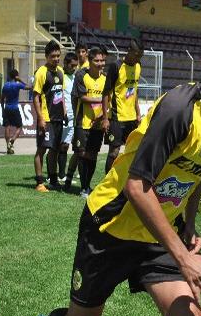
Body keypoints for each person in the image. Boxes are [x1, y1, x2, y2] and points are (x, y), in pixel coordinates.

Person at [19, 32, 201, 316]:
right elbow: (136, 187)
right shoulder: (179, 110)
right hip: (110, 227)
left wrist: (188, 227)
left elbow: (197, 176)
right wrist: (182, 256)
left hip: (156, 236)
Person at [101, 38, 144, 173]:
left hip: (131, 118)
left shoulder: (138, 66)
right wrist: (105, 118)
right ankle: (107, 183)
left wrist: (138, 113)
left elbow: (134, 90)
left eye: (140, 55)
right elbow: (106, 93)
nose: (138, 58)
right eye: (137, 55)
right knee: (114, 152)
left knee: (131, 152)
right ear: (129, 51)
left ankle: (123, 184)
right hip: (116, 116)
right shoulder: (116, 66)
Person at [72, 46, 107, 198]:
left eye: (102, 60)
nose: (100, 63)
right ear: (90, 61)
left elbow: (109, 100)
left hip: (97, 124)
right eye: (97, 60)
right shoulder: (81, 75)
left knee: (92, 155)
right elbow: (81, 97)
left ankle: (87, 186)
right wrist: (100, 99)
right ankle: (83, 187)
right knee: (81, 153)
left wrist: (103, 117)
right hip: (82, 121)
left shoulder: (105, 79)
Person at [32, 41, 65, 192]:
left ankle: (53, 179)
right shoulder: (41, 73)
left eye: (58, 56)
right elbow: (36, 97)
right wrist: (40, 118)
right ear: (46, 57)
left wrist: (64, 111)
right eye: (53, 56)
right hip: (47, 118)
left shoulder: (60, 72)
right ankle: (39, 182)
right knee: (42, 149)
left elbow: (61, 93)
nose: (56, 59)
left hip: (58, 118)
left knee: (55, 150)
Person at [58, 52, 79, 184]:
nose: (74, 68)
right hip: (62, 116)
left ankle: (62, 175)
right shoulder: (61, 77)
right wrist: (63, 112)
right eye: (72, 65)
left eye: (76, 66)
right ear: (65, 64)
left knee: (65, 146)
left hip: (73, 117)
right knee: (57, 146)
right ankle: (54, 174)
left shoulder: (76, 77)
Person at [1, 69, 29, 154]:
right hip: (15, 107)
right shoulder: (17, 85)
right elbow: (29, 87)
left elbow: (2, 99)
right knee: (19, 127)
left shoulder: (5, 85)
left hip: (7, 108)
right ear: (16, 76)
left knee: (7, 127)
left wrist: (2, 109)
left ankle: (8, 146)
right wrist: (20, 80)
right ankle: (12, 141)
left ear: (9, 76)